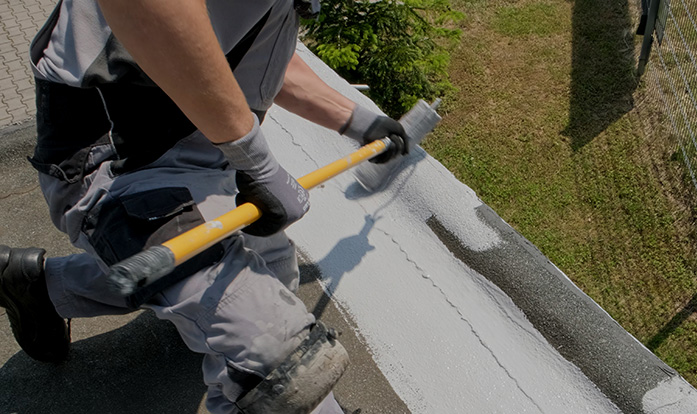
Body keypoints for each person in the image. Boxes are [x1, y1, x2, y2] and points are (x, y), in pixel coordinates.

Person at [0, 0, 409, 413]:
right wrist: (256, 161)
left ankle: (44, 288)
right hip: (118, 160)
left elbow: (247, 46)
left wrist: (355, 120)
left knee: (269, 274)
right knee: (277, 361)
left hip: (200, 155)